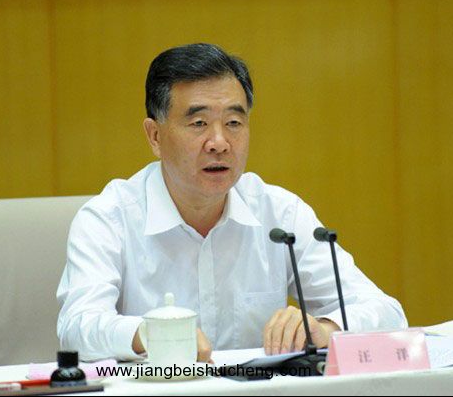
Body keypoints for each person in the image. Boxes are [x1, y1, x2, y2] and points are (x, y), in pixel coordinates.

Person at [56, 43, 407, 363]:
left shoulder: (280, 215)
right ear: (155, 136)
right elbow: (77, 327)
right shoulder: (108, 219)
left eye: (234, 122)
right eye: (199, 123)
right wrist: (148, 334)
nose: (219, 142)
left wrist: (325, 329)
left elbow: (387, 313)